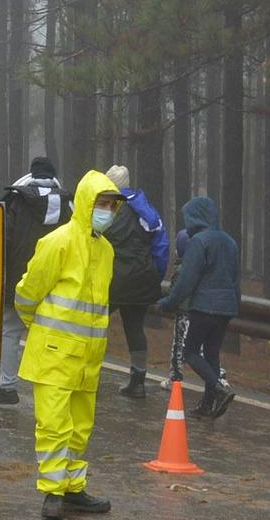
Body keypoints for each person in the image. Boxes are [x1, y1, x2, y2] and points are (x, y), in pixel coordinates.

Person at [16, 169, 121, 520]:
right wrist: (43, 330)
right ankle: (52, 493)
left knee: (80, 428)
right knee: (54, 426)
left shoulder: (105, 250)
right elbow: (28, 292)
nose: (107, 210)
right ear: (86, 204)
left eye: (111, 205)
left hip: (88, 358)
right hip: (54, 354)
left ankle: (74, 489)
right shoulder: (59, 241)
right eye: (102, 204)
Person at [0, 157, 69, 406]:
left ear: (31, 174)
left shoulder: (16, 200)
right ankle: (53, 389)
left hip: (17, 278)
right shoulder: (67, 203)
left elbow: (3, 239)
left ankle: (8, 388)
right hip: (55, 283)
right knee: (51, 336)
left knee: (11, 332)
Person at [158, 195, 240, 419]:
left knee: (190, 351)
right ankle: (207, 404)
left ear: (196, 218)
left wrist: (169, 303)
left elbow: (187, 280)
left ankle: (220, 388)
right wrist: (235, 305)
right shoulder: (229, 242)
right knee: (211, 353)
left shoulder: (200, 241)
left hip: (204, 307)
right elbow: (235, 278)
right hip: (226, 308)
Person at [101, 164, 171, 398]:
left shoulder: (108, 206)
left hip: (112, 279)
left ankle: (86, 375)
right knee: (134, 328)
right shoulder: (146, 209)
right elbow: (161, 246)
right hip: (141, 278)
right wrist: (155, 275)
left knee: (95, 324)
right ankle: (138, 380)